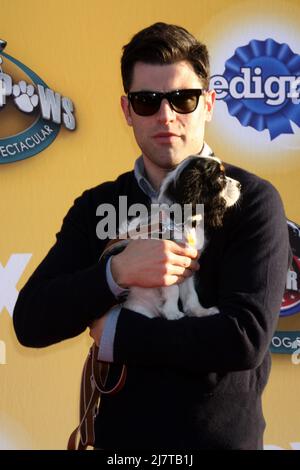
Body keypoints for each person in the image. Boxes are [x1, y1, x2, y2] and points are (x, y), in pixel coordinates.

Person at [13, 22, 290, 450]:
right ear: (127, 111)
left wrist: (119, 335)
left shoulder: (251, 200)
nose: (166, 116)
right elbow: (31, 321)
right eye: (147, 101)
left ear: (209, 104)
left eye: (183, 99)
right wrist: (116, 272)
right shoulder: (98, 205)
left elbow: (244, 338)